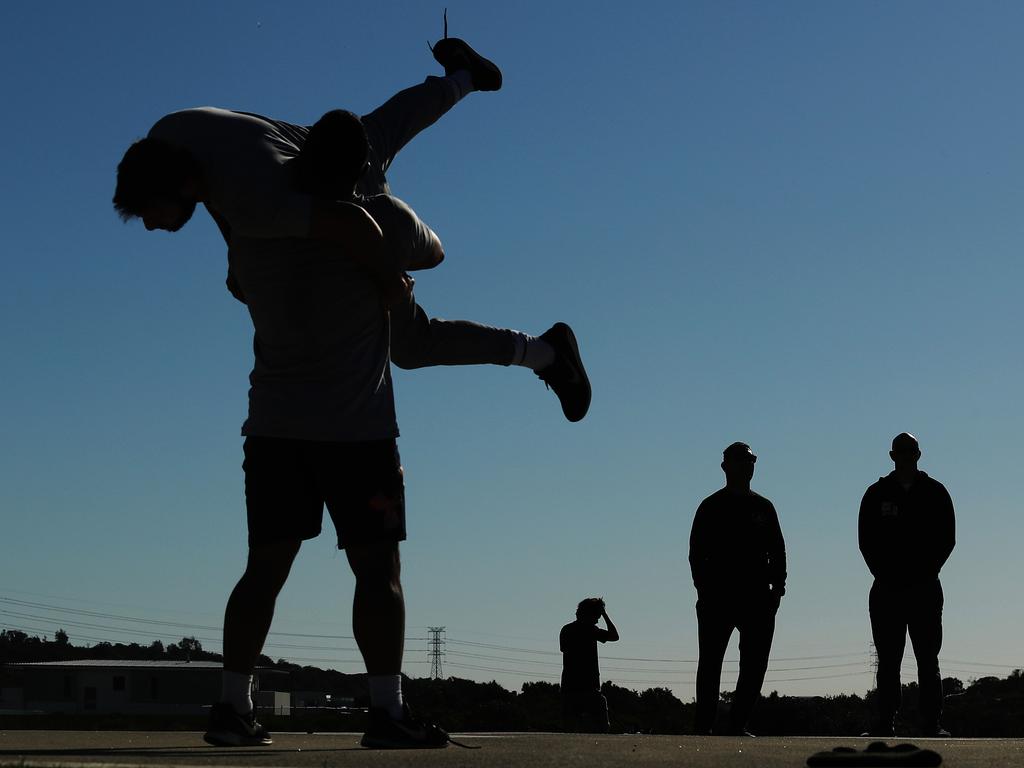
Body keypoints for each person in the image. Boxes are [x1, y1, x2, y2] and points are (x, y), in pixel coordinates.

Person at [112, 32, 590, 422]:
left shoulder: (261, 202)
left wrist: (390, 285)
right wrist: (235, 255)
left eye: (151, 214)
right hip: (322, 139)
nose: (151, 227)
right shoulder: (170, 134)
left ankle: (546, 353)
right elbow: (219, 187)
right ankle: (465, 75)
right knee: (388, 125)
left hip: (345, 191)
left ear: (176, 185)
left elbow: (345, 224)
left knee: (411, 345)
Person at [201, 114, 463, 749]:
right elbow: (435, 252)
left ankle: (233, 707)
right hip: (359, 435)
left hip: (274, 430)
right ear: (359, 169)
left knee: (262, 570)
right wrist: (379, 204)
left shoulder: (256, 228)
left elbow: (238, 285)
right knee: (378, 573)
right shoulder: (383, 221)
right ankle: (386, 711)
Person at [859, 432, 955, 737]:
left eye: (910, 451)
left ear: (918, 454)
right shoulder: (876, 494)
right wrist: (885, 574)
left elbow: (946, 539)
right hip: (887, 589)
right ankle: (884, 721)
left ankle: (930, 723)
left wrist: (926, 573)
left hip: (925, 589)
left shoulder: (935, 492)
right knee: (888, 660)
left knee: (928, 658)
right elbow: (867, 542)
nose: (905, 457)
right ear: (892, 456)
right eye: (900, 452)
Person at [689, 442, 786, 736]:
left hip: (757, 597)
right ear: (725, 466)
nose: (748, 466)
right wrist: (704, 590)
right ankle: (704, 724)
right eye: (742, 461)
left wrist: (777, 589)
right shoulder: (711, 506)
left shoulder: (763, 507)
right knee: (710, 663)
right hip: (717, 597)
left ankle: (737, 723)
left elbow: (778, 550)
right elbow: (697, 553)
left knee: (755, 664)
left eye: (751, 460)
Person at [559, 597, 619, 732]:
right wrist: (605, 614)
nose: (597, 620)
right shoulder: (591, 630)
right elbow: (614, 636)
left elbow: (564, 649)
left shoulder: (566, 629)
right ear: (590, 615)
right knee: (601, 727)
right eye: (596, 616)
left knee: (569, 728)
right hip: (589, 687)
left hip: (569, 686)